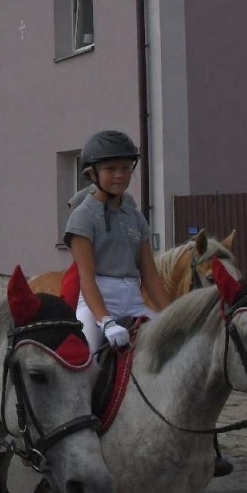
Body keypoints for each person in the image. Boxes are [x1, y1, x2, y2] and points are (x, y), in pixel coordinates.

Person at [65, 130, 171, 357]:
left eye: (125, 168)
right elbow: (86, 276)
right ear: (92, 173)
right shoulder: (83, 216)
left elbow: (150, 274)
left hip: (133, 302)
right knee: (87, 358)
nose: (120, 175)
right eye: (110, 169)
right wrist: (105, 321)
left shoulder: (134, 216)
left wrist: (172, 315)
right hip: (97, 304)